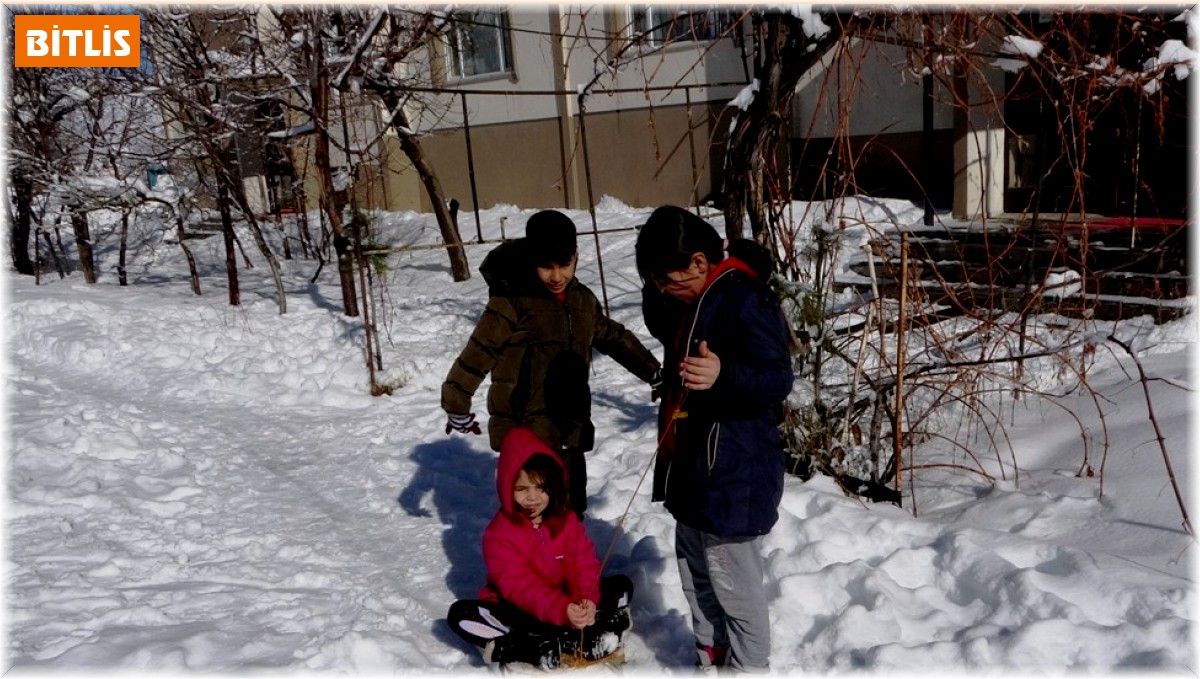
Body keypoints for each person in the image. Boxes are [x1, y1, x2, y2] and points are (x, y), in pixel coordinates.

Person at [635, 205, 794, 674]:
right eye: (656, 283)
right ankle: (712, 651)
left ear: (700, 262)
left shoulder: (745, 299)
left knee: (734, 584)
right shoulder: (691, 300)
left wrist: (724, 374)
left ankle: (747, 668)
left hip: (733, 472)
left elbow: (777, 378)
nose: (663, 291)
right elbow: (662, 316)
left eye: (667, 279)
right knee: (695, 571)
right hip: (694, 467)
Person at [442, 209, 661, 518]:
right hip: (525, 429)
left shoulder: (581, 300)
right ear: (532, 259)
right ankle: (531, 567)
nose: (557, 276)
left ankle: (571, 566)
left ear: (576, 256)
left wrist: (654, 372)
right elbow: (480, 349)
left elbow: (613, 336)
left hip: (569, 425)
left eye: (565, 265)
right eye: (546, 267)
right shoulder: (513, 299)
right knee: (534, 514)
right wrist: (456, 400)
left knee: (571, 507)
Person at [446, 427, 634, 670]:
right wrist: (561, 610)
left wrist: (585, 600)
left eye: (540, 487)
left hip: (568, 606)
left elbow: (583, 564)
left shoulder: (565, 520)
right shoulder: (499, 534)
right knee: (461, 615)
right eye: (521, 489)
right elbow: (520, 587)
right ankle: (531, 648)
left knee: (621, 586)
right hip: (523, 612)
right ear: (507, 488)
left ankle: (582, 635)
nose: (532, 498)